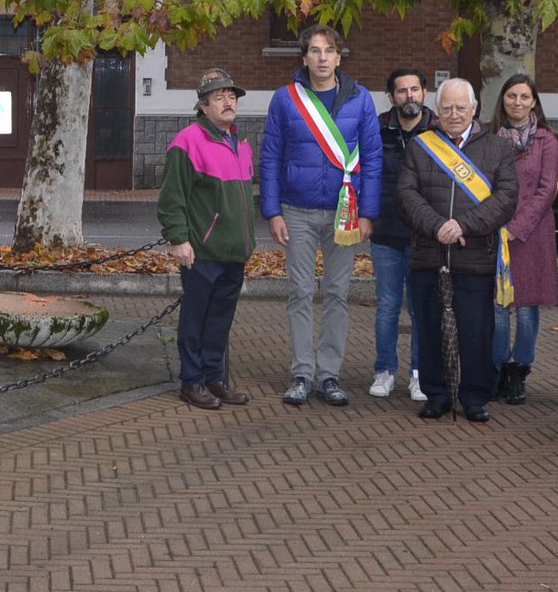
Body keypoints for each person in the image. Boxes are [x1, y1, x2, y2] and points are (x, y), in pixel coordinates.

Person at [258, 24, 382, 407]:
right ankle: (301, 373)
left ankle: (329, 375)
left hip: (345, 214)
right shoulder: (285, 99)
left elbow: (374, 160)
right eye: (315, 51)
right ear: (305, 57)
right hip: (296, 211)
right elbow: (270, 156)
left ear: (339, 58)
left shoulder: (361, 100)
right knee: (299, 292)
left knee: (337, 294)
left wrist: (369, 214)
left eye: (329, 51)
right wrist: (272, 210)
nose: (322, 58)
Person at [397, 78, 518, 422]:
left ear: (474, 109)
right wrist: (437, 226)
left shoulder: (496, 148)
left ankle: (475, 396)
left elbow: (506, 198)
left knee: (477, 331)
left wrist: (463, 225)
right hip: (428, 254)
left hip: (475, 255)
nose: (453, 115)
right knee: (429, 328)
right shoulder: (421, 147)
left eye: (460, 108)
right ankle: (437, 394)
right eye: (446, 108)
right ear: (437, 110)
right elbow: (406, 196)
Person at [157, 69, 254, 410]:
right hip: (203, 252)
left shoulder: (241, 144)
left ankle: (216, 378)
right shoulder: (187, 143)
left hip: (233, 253)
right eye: (219, 97)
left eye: (232, 96)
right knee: (196, 319)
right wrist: (178, 240)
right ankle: (192, 381)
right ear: (202, 105)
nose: (228, 102)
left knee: (220, 320)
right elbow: (172, 200)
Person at [489, 74, 558, 405]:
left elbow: (547, 190)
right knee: (499, 306)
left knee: (528, 307)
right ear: (502, 100)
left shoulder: (547, 140)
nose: (517, 102)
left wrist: (518, 227)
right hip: (495, 233)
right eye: (511, 96)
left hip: (531, 235)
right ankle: (499, 367)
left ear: (534, 102)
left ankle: (520, 369)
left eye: (524, 97)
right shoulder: (489, 138)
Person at [369, 67, 433, 401]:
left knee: (421, 307)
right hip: (386, 232)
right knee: (388, 305)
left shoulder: (439, 131)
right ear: (392, 96)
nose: (409, 96)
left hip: (426, 235)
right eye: (401, 91)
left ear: (424, 92)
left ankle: (419, 374)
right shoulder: (377, 129)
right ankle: (384, 370)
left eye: (414, 89)